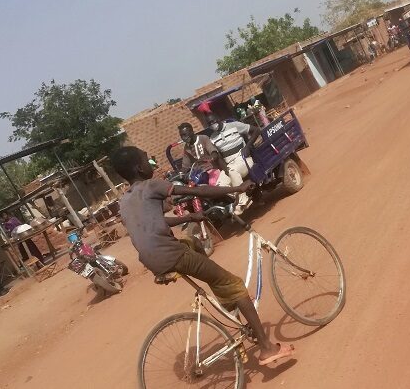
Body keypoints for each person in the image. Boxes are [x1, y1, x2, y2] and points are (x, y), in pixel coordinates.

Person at [111, 146, 294, 365]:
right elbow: (197, 191)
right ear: (138, 168)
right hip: (173, 254)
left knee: (194, 243)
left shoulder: (125, 201)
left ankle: (226, 300)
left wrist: (191, 217)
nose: (149, 160)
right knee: (235, 284)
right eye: (145, 158)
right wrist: (237, 188)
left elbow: (154, 223)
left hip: (153, 261)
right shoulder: (152, 186)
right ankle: (266, 348)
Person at [205, 113, 260, 214]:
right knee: (220, 185)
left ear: (219, 119)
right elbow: (219, 156)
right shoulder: (212, 138)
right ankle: (239, 200)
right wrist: (224, 169)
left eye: (213, 121)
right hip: (230, 165)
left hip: (244, 160)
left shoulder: (234, 125)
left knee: (233, 172)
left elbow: (256, 130)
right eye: (209, 123)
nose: (212, 124)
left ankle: (243, 201)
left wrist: (247, 146)